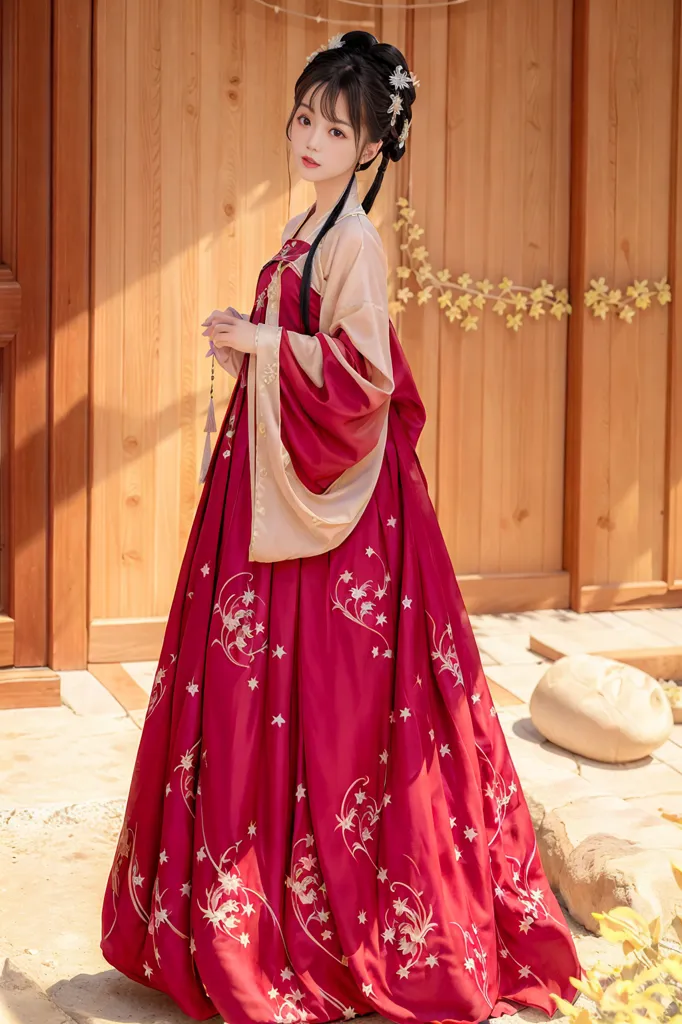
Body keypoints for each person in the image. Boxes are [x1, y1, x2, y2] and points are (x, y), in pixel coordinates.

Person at [101, 30, 580, 1024]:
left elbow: (365, 379)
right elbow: (323, 354)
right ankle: (249, 916)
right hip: (275, 484)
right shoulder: (308, 223)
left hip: (344, 512)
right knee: (255, 687)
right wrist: (255, 346)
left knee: (337, 699)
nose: (309, 136)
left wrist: (264, 340)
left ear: (370, 148)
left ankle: (338, 929)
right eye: (303, 116)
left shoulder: (352, 240)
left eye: (334, 126)